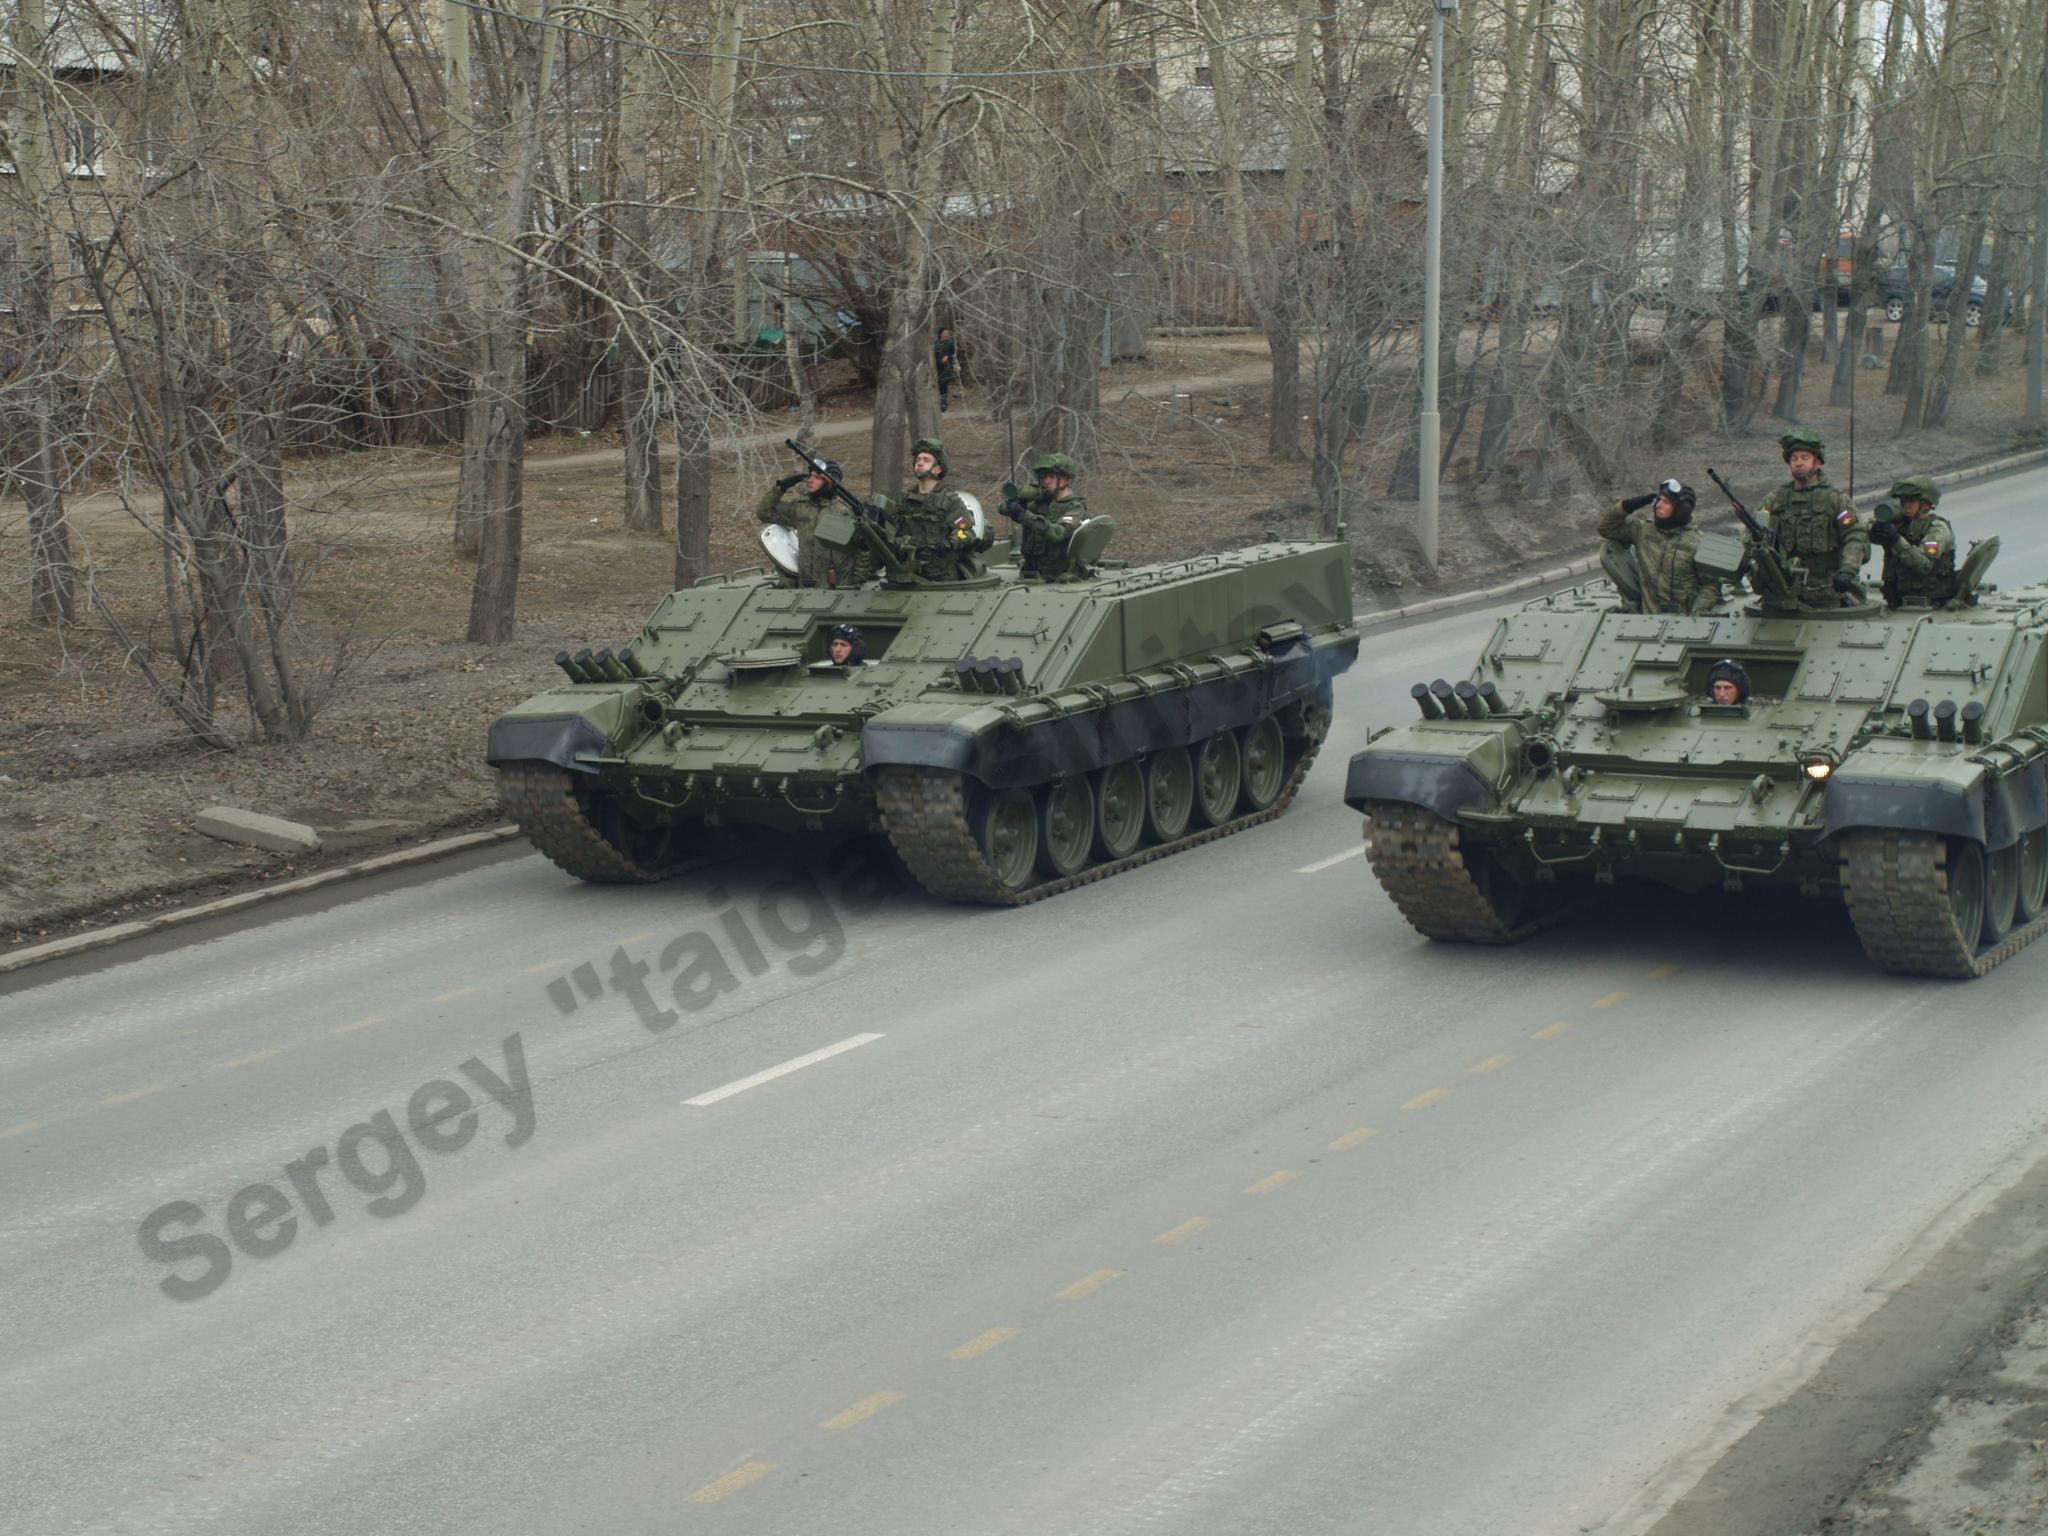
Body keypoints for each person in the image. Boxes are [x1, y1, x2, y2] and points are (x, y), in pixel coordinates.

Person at [1759, 429, 1868, 605]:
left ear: (1817, 462)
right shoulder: (1775, 500)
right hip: (1782, 592)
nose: (1798, 463)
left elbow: (1855, 536)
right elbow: (1756, 533)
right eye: (1794, 459)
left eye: (1804, 458)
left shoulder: (1836, 499)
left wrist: (1848, 570)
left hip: (1826, 593)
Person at [871, 437, 989, 581]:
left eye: (926, 460)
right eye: (918, 459)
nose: (920, 463)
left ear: (938, 468)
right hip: (906, 577)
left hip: (941, 578)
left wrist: (950, 542)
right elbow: (887, 529)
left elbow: (966, 532)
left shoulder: (949, 501)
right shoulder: (902, 499)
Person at [1596, 478, 1719, 614]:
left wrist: (1698, 613)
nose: (1658, 505)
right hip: (1650, 619)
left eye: (1666, 502)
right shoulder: (1643, 531)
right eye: (1659, 500)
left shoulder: (1697, 543)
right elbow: (1606, 528)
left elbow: (1711, 585)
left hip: (1684, 621)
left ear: (1681, 510)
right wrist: (1628, 506)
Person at [755, 458, 871, 589]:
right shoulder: (801, 507)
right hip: (807, 588)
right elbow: (764, 512)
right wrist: (781, 487)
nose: (810, 480)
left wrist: (857, 580)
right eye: (810, 475)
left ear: (830, 482)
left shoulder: (845, 511)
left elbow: (863, 549)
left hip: (839, 589)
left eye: (817, 477)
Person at [1870, 474, 1957, 608]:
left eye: (1912, 501)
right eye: (1904, 500)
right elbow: (1866, 532)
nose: (1906, 505)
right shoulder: (1901, 523)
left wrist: (1896, 539)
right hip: (1897, 602)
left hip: (1929, 604)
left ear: (1925, 503)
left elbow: (1924, 565)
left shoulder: (1937, 529)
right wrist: (1874, 530)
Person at [1001, 452, 1090, 580]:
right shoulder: (1039, 503)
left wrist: (1024, 514)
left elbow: (1058, 533)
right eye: (1044, 477)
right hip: (1030, 575)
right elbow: (1002, 508)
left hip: (1059, 578)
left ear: (1066, 479)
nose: (1046, 481)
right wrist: (1017, 503)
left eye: (1052, 477)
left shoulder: (1074, 507)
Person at [934, 326, 958, 413]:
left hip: (946, 368)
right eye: (945, 333)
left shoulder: (950, 344)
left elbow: (954, 355)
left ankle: (943, 404)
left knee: (944, 386)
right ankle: (937, 403)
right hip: (936, 367)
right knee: (937, 385)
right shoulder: (935, 343)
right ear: (940, 334)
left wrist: (948, 357)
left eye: (947, 334)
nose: (946, 335)